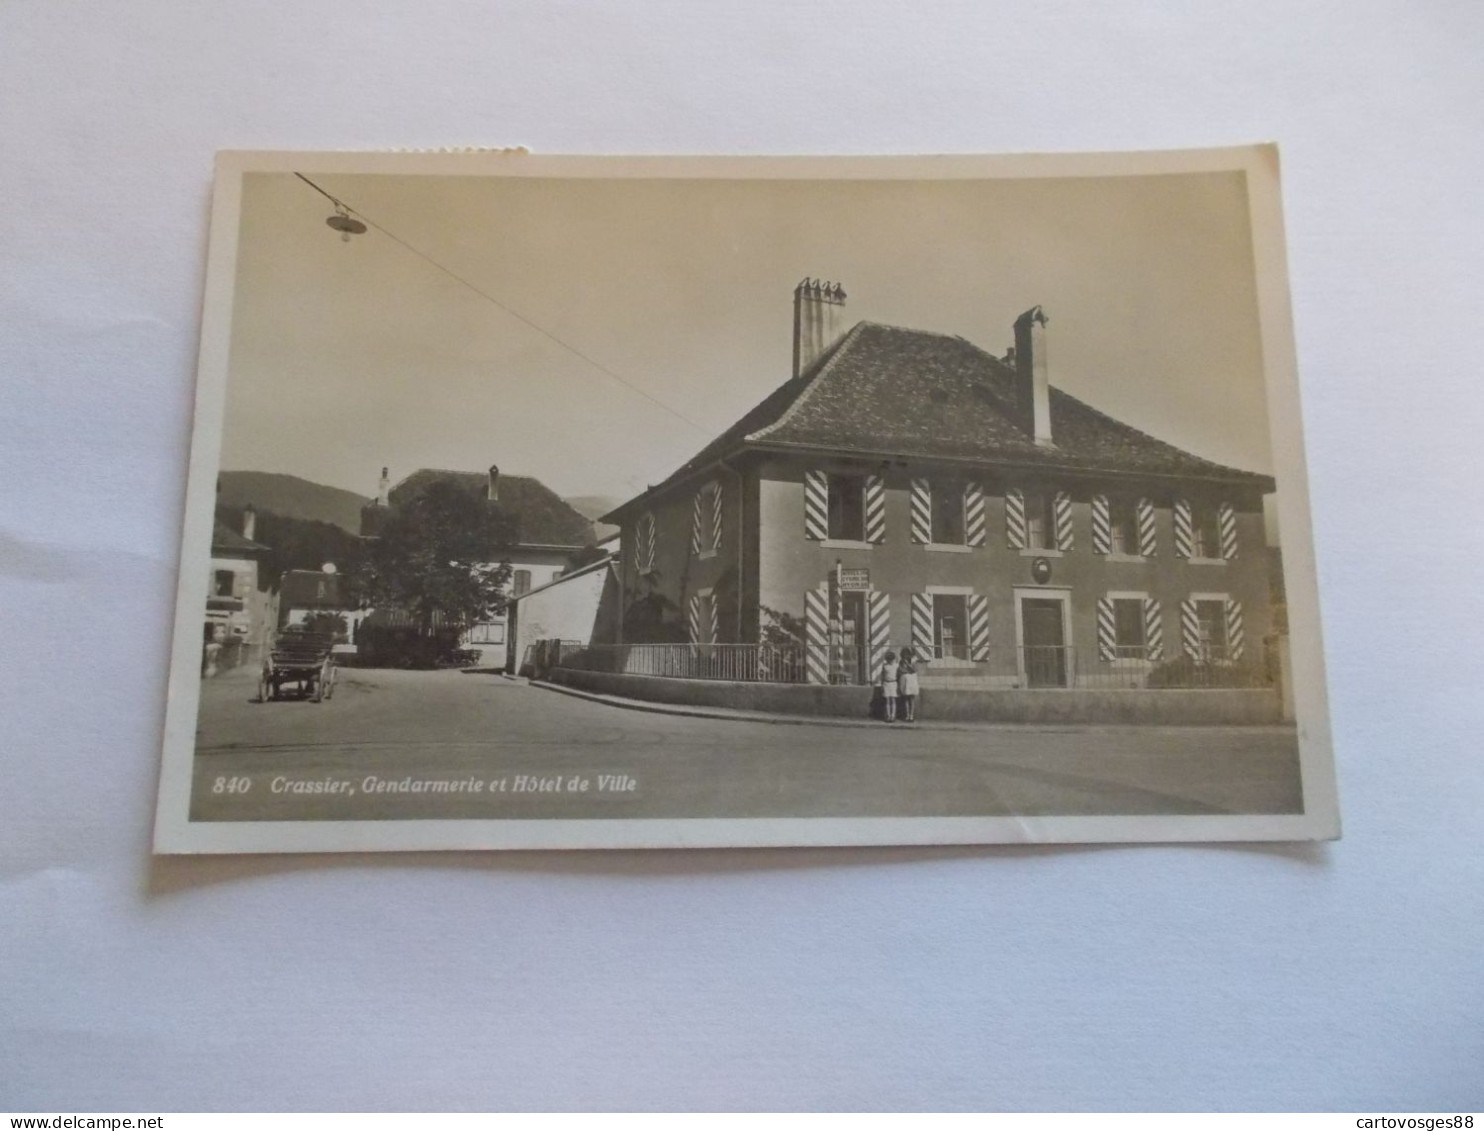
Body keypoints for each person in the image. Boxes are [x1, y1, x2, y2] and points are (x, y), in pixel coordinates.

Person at [898, 645, 920, 722]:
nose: (905, 656)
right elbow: (901, 670)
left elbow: (914, 670)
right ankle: (907, 715)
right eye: (904, 655)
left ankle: (911, 715)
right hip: (906, 680)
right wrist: (907, 670)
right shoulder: (901, 662)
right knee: (906, 699)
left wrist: (907, 665)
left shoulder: (913, 661)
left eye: (906, 654)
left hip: (911, 680)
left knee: (911, 699)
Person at [878, 649, 899, 722]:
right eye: (889, 660)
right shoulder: (885, 666)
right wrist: (881, 685)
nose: (890, 661)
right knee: (887, 700)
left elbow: (898, 675)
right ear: (887, 660)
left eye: (892, 659)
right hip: (886, 683)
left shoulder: (896, 666)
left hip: (893, 683)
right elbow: (882, 676)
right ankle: (888, 715)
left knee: (893, 700)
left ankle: (893, 716)